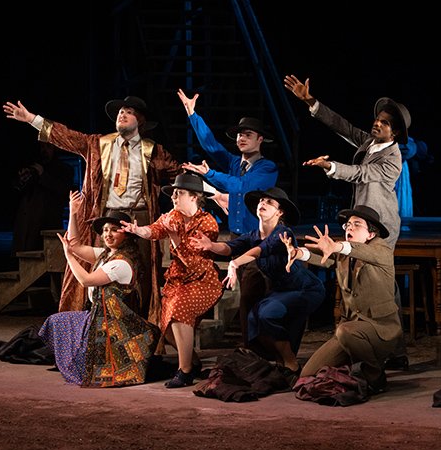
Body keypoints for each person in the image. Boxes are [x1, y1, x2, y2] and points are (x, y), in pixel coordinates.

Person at [3, 96, 179, 323]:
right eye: (119, 113)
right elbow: (66, 136)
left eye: (128, 112)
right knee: (101, 270)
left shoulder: (153, 151)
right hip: (107, 217)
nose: (121, 115)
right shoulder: (99, 144)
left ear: (141, 121)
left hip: (139, 218)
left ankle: (139, 330)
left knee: (140, 277)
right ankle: (99, 326)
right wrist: (31, 119)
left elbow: (178, 175)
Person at [191, 187, 325, 387]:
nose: (263, 203)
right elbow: (230, 248)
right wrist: (211, 246)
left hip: (305, 289)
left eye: (270, 203)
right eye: (262, 200)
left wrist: (235, 264)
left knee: (267, 314)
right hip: (282, 291)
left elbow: (260, 251)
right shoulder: (253, 234)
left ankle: (291, 364)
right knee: (254, 318)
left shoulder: (283, 233)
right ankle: (283, 362)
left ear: (280, 213)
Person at [177, 88, 279, 347]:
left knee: (255, 295)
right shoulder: (235, 163)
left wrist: (210, 176)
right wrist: (192, 113)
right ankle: (250, 346)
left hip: (257, 239)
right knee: (246, 294)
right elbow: (210, 144)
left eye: (247, 135)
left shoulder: (267, 168)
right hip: (237, 237)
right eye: (239, 134)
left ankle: (258, 348)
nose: (241, 138)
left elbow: (243, 187)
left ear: (260, 140)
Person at [38, 190, 158, 387]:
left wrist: (68, 256)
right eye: (105, 230)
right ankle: (75, 359)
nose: (107, 234)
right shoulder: (106, 254)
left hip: (112, 324)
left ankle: (80, 361)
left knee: (64, 328)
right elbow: (75, 246)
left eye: (113, 230)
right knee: (56, 321)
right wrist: (74, 213)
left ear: (126, 234)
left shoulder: (121, 263)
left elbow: (85, 279)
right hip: (96, 316)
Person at [283, 75, 410, 251]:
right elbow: (343, 127)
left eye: (384, 123)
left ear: (394, 132)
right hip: (361, 223)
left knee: (373, 274)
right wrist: (309, 100)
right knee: (355, 269)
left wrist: (330, 166)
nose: (377, 123)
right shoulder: (369, 142)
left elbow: (361, 173)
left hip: (381, 227)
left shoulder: (393, 160)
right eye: (377, 119)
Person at [121, 173, 223, 388]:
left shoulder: (208, 223)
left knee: (179, 310)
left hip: (203, 280)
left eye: (179, 193)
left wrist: (175, 239)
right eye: (174, 194)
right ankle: (193, 363)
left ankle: (184, 371)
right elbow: (156, 229)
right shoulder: (174, 215)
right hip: (178, 281)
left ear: (194, 197)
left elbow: (193, 262)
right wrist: (137, 230)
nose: (174, 197)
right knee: (164, 326)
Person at [285, 205, 402, 393]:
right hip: (351, 331)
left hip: (381, 331)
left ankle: (375, 374)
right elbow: (326, 257)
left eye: (357, 224)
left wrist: (337, 246)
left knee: (345, 331)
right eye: (347, 225)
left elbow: (353, 250)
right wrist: (298, 253)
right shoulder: (344, 254)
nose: (349, 228)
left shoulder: (382, 250)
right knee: (307, 374)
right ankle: (351, 367)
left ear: (371, 234)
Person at [11, 142, 74, 254]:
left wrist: (42, 174)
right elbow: (18, 191)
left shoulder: (64, 169)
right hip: (28, 225)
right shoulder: (33, 167)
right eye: (42, 147)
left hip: (48, 223)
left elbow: (63, 191)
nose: (44, 150)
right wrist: (21, 180)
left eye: (48, 147)